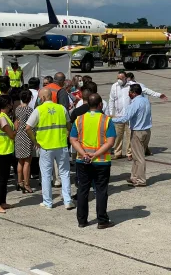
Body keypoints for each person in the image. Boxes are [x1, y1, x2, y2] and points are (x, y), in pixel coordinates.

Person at [70, 93, 116, 229]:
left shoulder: (79, 119)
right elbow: (111, 142)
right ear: (100, 105)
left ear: (87, 105)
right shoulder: (106, 120)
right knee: (101, 191)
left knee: (83, 190)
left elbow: (73, 139)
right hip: (101, 161)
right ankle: (102, 220)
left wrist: (84, 153)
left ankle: (82, 220)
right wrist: (95, 154)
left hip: (83, 161)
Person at [25, 89, 75, 210]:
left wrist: (35, 141)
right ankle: (68, 200)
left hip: (46, 147)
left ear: (41, 98)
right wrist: (66, 134)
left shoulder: (39, 110)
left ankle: (48, 202)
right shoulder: (61, 108)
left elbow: (27, 128)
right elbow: (69, 125)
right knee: (64, 173)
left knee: (46, 175)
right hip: (61, 145)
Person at [113, 84, 152, 186]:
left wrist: (111, 119)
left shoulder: (135, 103)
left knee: (139, 157)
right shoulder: (146, 100)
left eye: (130, 92)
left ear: (134, 93)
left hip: (138, 132)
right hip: (146, 131)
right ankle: (134, 177)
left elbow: (125, 118)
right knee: (136, 155)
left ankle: (141, 180)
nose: (129, 93)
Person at [126, 72, 168, 156]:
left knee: (136, 135)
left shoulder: (137, 86)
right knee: (135, 135)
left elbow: (147, 91)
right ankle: (137, 151)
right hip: (128, 111)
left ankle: (133, 152)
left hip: (136, 113)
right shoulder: (120, 86)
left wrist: (158, 95)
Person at [0, 95, 16, 213]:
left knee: (4, 178)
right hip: (3, 151)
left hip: (1, 149)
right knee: (1, 178)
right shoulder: (2, 118)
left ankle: (2, 202)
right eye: (11, 103)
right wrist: (16, 127)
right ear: (8, 105)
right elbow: (11, 135)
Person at [109, 72, 132, 160]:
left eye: (121, 78)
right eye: (118, 78)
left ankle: (129, 153)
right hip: (118, 116)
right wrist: (111, 113)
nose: (119, 80)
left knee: (129, 135)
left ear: (126, 78)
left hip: (129, 115)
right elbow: (111, 100)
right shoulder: (114, 86)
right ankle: (117, 152)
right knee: (118, 135)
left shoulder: (131, 86)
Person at [15, 90, 34, 194]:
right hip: (26, 136)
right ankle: (26, 184)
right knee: (27, 161)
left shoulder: (17, 108)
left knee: (20, 161)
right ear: (30, 99)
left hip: (18, 135)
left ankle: (19, 182)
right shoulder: (29, 110)